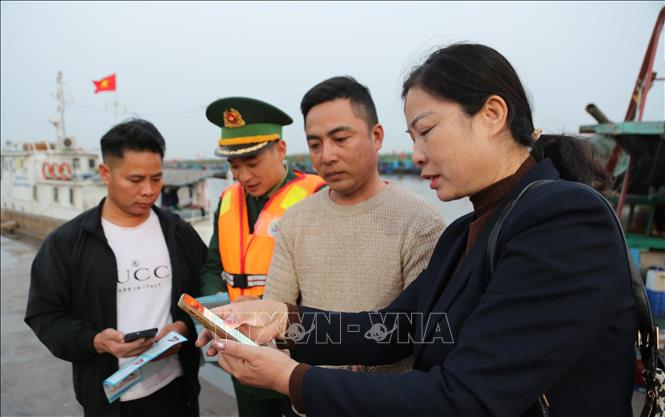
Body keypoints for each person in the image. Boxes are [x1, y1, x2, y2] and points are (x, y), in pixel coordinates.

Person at [197, 43, 638, 417]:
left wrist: (291, 378)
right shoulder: (464, 232)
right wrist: (282, 321)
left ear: (492, 114)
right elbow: (394, 330)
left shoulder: (564, 219)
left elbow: (467, 397)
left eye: (426, 131)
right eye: (412, 138)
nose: (416, 155)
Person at [263, 76, 445, 375]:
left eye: (341, 139)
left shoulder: (421, 222)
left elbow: (419, 330)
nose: (327, 156)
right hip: (306, 390)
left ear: (377, 136)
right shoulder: (295, 220)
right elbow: (276, 310)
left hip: (385, 395)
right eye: (315, 144)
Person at [25, 119, 207, 417]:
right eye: (135, 180)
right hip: (108, 399)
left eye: (156, 178)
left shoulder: (178, 232)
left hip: (177, 388)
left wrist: (184, 326)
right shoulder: (67, 243)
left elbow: (205, 294)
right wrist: (95, 342)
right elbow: (44, 315)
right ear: (105, 173)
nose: (148, 190)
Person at [198, 97, 325, 416]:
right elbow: (213, 267)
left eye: (252, 163)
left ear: (280, 150)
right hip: (240, 345)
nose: (243, 175)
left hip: (296, 350)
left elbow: (328, 282)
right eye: (234, 166)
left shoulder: (317, 196)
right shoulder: (227, 200)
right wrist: (217, 313)